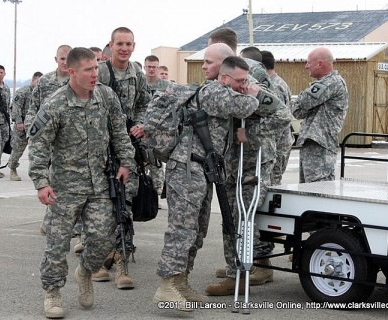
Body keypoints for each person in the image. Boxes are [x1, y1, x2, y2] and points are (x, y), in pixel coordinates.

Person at [152, 44, 282, 311]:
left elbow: (268, 107)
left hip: (203, 169)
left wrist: (250, 91)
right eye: (241, 81)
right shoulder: (213, 91)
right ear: (226, 78)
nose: (245, 85)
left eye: (247, 81)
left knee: (197, 230)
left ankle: (181, 282)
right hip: (186, 168)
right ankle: (166, 286)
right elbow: (245, 106)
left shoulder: (223, 89)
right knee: (182, 228)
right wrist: (254, 93)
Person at [28, 47, 134, 319]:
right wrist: (41, 182)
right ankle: (52, 291)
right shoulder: (55, 103)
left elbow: (119, 132)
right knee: (57, 244)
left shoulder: (106, 96)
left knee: (102, 239)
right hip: (64, 188)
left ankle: (85, 271)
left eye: (96, 67)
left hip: (100, 184)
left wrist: (125, 162)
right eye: (88, 69)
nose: (95, 74)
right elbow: (39, 145)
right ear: (72, 71)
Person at [96, 26, 152, 289]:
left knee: (124, 204)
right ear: (111, 45)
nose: (124, 48)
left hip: (127, 148)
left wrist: (139, 125)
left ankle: (122, 263)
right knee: (101, 206)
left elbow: (145, 104)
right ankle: (99, 258)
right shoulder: (100, 73)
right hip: (100, 149)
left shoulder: (137, 75)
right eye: (119, 43)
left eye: (129, 44)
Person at [24, 44, 72, 237]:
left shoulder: (76, 80)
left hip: (68, 140)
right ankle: (50, 220)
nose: (65, 62)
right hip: (47, 140)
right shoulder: (45, 82)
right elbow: (32, 110)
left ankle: (55, 221)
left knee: (63, 181)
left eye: (68, 59)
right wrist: (31, 132)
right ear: (56, 59)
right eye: (62, 58)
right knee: (51, 180)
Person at [292, 47, 349, 183]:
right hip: (313, 144)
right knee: (307, 189)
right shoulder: (325, 83)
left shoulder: (331, 82)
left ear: (320, 64)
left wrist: (300, 101)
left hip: (320, 145)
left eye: (308, 62)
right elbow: (297, 111)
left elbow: (304, 102)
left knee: (318, 189)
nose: (306, 66)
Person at [261, 50, 294, 185]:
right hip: (278, 145)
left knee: (272, 185)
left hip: (277, 146)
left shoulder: (274, 86)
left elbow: (278, 119)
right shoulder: (277, 82)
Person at [7, 71, 43, 181]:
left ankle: (39, 173)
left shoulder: (42, 93)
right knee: (18, 148)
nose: (39, 84)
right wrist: (18, 122)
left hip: (36, 125)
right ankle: (12, 168)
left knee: (38, 149)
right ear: (33, 80)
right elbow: (15, 107)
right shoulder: (22, 92)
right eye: (38, 82)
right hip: (22, 125)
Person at [144, 55, 170, 195]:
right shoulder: (139, 83)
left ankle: (156, 192)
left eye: (154, 67)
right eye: (149, 67)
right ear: (145, 67)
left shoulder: (165, 86)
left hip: (158, 131)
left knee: (156, 164)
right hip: (140, 129)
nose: (152, 70)